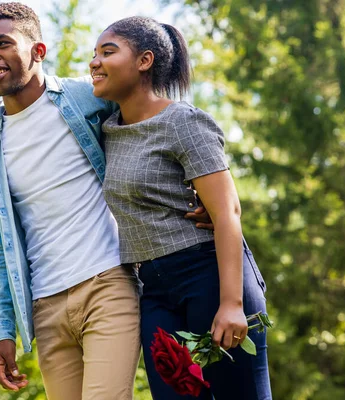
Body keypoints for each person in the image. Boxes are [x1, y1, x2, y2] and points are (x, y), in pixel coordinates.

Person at [0, 4, 211, 399]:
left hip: (108, 284)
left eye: (2, 43)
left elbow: (156, 122)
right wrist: (2, 329)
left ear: (38, 51)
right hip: (45, 308)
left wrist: (197, 190)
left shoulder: (86, 98)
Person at [89, 17, 272, 399]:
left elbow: (227, 212)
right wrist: (2, 115)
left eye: (107, 52)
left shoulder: (183, 121)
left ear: (144, 61)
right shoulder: (108, 129)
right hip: (153, 290)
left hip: (209, 276)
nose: (94, 62)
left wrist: (231, 303)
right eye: (94, 54)